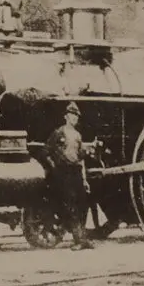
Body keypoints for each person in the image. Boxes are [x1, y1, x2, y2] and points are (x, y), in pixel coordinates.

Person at [44, 102, 95, 250]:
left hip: (76, 172)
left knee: (82, 205)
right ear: (66, 117)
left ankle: (82, 238)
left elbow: (81, 158)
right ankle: (78, 240)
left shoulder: (78, 136)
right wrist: (54, 168)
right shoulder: (58, 133)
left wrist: (84, 179)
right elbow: (46, 152)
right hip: (64, 173)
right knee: (71, 205)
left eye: (77, 117)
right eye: (72, 116)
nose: (75, 119)